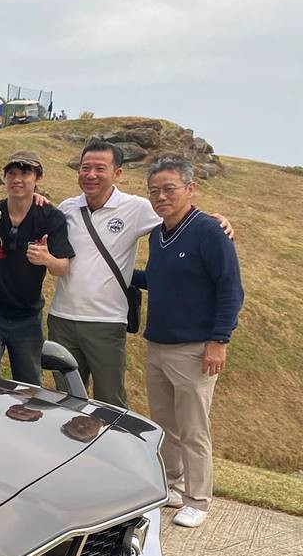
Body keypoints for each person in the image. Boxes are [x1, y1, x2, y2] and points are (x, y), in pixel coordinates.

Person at [47, 138, 232, 407]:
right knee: (66, 398)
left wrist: (216, 222)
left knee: (110, 403)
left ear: (117, 173)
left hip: (106, 321)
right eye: (85, 168)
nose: (91, 175)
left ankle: (108, 438)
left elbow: (181, 218)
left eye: (100, 168)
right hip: (61, 317)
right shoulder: (67, 208)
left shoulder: (137, 207)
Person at [135, 157, 243, 528]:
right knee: (166, 426)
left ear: (190, 189)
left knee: (194, 428)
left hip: (195, 348)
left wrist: (219, 340)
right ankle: (172, 486)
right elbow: (157, 279)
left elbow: (231, 289)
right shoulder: (158, 235)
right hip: (159, 344)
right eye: (154, 191)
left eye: (169, 189)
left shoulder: (210, 231)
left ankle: (198, 499)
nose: (161, 197)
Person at [0, 150, 72, 384]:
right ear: (4, 178)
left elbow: (62, 268)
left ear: (38, 178)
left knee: (29, 384)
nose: (17, 180)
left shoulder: (50, 217)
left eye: (25, 174)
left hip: (28, 316)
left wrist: (47, 259)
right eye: (11, 174)